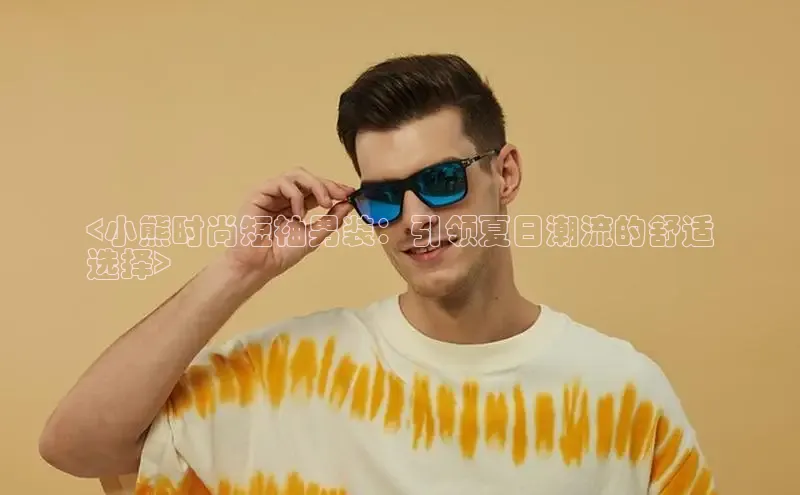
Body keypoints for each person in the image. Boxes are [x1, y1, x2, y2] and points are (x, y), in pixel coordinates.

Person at [39, 53, 718, 494]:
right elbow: (78, 446)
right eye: (385, 196)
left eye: (443, 181)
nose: (414, 219)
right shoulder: (286, 378)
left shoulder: (621, 392)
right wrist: (239, 269)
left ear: (505, 173)